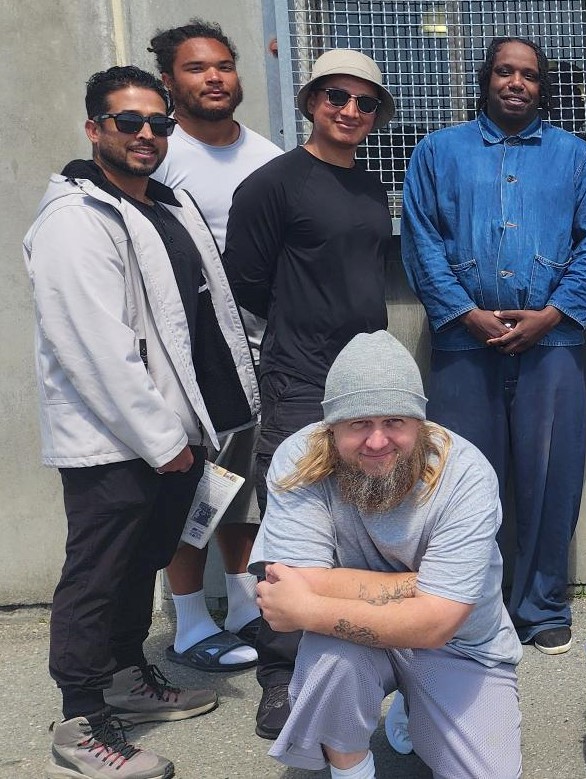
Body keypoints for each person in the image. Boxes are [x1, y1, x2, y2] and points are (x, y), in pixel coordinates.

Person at [25, 65, 257, 779]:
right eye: (130, 122)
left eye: (158, 123)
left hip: (173, 435)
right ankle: (81, 718)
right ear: (95, 128)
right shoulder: (75, 219)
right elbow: (95, 349)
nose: (147, 135)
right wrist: (162, 442)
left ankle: (126, 676)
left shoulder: (166, 203)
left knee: (137, 564)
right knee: (96, 575)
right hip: (112, 441)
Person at [402, 37, 586, 656]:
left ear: (543, 86)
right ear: (485, 79)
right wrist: (466, 314)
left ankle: (543, 605)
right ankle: (475, 605)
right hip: (464, 345)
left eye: (528, 75)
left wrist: (551, 315)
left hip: (554, 343)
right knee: (464, 480)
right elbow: (421, 241)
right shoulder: (439, 152)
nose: (515, 83)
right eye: (504, 72)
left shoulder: (577, 159)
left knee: (551, 474)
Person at [253, 331, 522, 778]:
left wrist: (310, 608)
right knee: (333, 657)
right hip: (358, 642)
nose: (378, 441)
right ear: (330, 426)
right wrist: (424, 587)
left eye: (395, 421)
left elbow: (438, 624)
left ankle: (415, 701)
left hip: (462, 646)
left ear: (420, 422)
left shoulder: (467, 474)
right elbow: (290, 584)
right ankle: (351, 768)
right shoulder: (297, 459)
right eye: (358, 423)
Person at [223, 48, 396, 740]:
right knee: (291, 532)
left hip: (366, 386)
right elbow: (247, 285)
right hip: (299, 382)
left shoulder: (371, 187)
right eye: (337, 98)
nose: (350, 111)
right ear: (311, 103)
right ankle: (281, 675)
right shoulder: (274, 185)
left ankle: (351, 655)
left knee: (362, 527)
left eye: (364, 103)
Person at [149, 18, 283, 674]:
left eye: (224, 66)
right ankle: (189, 621)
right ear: (169, 80)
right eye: (198, 68)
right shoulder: (155, 154)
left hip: (255, 353)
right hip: (182, 358)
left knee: (239, 484)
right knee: (188, 488)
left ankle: (244, 605)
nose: (214, 78)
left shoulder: (266, 154)